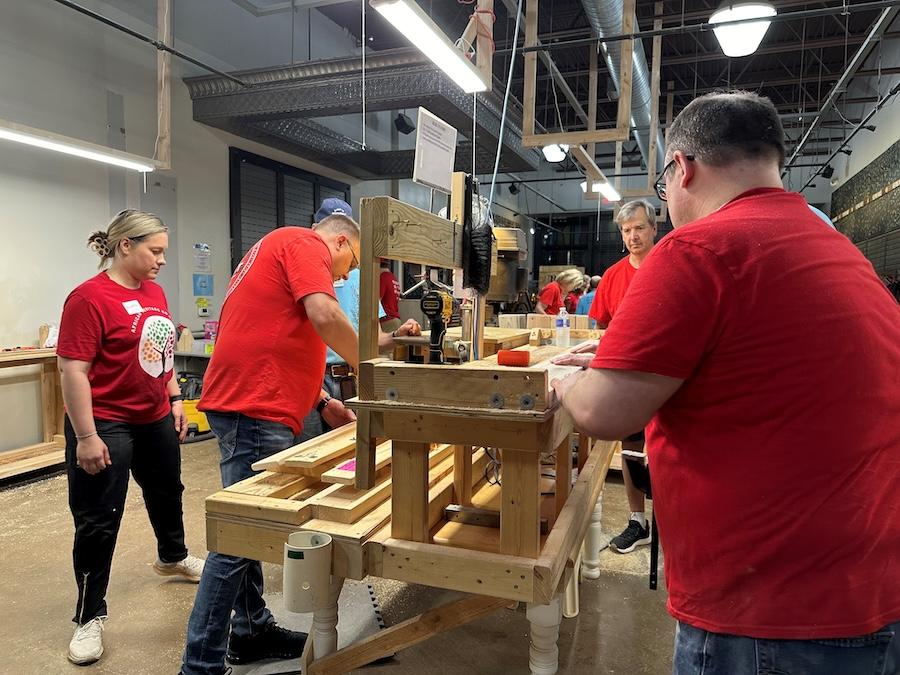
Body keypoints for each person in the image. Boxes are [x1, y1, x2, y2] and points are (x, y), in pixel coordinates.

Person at [553, 91, 899, 673]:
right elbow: (748, 363)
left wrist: (563, 376)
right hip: (866, 587)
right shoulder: (836, 249)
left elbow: (606, 413)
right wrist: (620, 355)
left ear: (682, 168)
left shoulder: (697, 247)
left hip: (769, 614)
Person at [181, 213, 362, 675]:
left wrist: (320, 400)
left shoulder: (279, 246)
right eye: (350, 264)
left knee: (247, 529)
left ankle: (250, 631)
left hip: (250, 401)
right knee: (240, 537)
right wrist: (374, 369)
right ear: (340, 241)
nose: (344, 275)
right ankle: (199, 665)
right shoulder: (306, 245)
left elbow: (273, 333)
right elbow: (323, 315)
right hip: (254, 407)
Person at [57, 210, 205, 666]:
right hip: (105, 421)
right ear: (125, 246)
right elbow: (72, 369)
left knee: (167, 492)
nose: (162, 259)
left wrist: (176, 398)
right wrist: (86, 436)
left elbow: (160, 353)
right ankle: (88, 616)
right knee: (99, 516)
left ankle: (173, 556)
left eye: (163, 251)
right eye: (154, 250)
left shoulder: (154, 291)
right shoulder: (88, 298)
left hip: (155, 415)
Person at [299, 200, 421, 443]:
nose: (345, 270)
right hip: (313, 379)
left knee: (350, 449)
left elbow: (373, 339)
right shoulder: (305, 269)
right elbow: (324, 318)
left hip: (349, 379)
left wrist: (398, 337)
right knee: (308, 451)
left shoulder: (360, 277)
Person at [588, 199, 659, 554]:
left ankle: (679, 524)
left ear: (654, 229)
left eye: (640, 228)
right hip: (629, 380)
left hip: (669, 376)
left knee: (671, 451)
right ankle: (638, 521)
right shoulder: (614, 276)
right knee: (631, 450)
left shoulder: (670, 265)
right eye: (627, 230)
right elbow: (601, 328)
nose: (633, 236)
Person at [379, 258, 403, 335]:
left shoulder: (382, 277)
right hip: (395, 320)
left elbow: (375, 300)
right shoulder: (393, 277)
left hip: (387, 321)